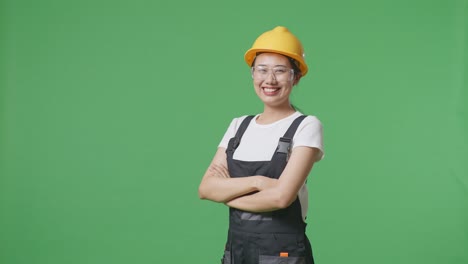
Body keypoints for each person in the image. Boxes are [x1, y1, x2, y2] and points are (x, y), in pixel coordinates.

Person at [198, 26, 324, 264]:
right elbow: (206, 188)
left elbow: (281, 198)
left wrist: (228, 196)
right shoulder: (239, 126)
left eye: (280, 71)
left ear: (295, 77)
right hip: (236, 251)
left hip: (284, 255)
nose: (270, 80)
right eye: (262, 70)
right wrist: (258, 182)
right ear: (252, 74)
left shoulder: (306, 126)